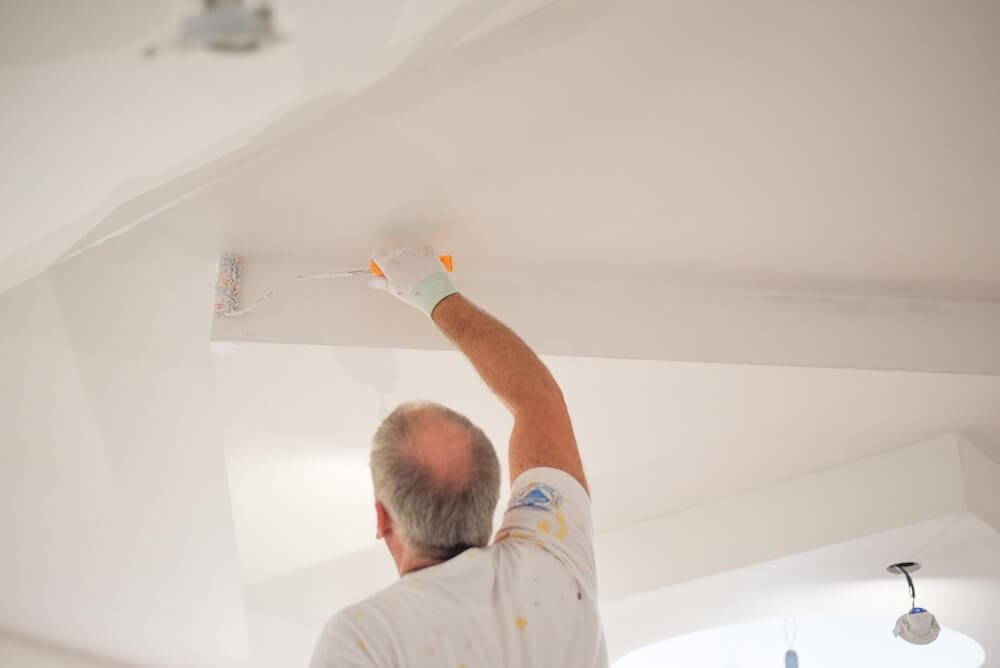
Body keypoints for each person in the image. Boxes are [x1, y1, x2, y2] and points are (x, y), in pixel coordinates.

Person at [310, 246, 607, 667]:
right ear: (492, 501)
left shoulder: (364, 637)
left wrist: (432, 290)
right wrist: (433, 291)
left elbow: (536, 403)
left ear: (382, 518)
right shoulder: (552, 564)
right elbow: (538, 402)